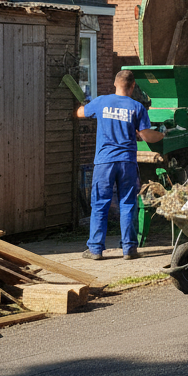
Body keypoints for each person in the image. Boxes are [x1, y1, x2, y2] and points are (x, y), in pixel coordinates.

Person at [75, 70, 164, 260]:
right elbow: (146, 135)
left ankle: (96, 249)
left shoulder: (101, 101)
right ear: (132, 87)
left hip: (104, 162)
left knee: (100, 204)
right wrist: (164, 134)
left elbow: (80, 113)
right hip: (127, 162)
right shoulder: (137, 107)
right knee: (127, 203)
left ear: (115, 84)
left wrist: (86, 105)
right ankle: (129, 248)